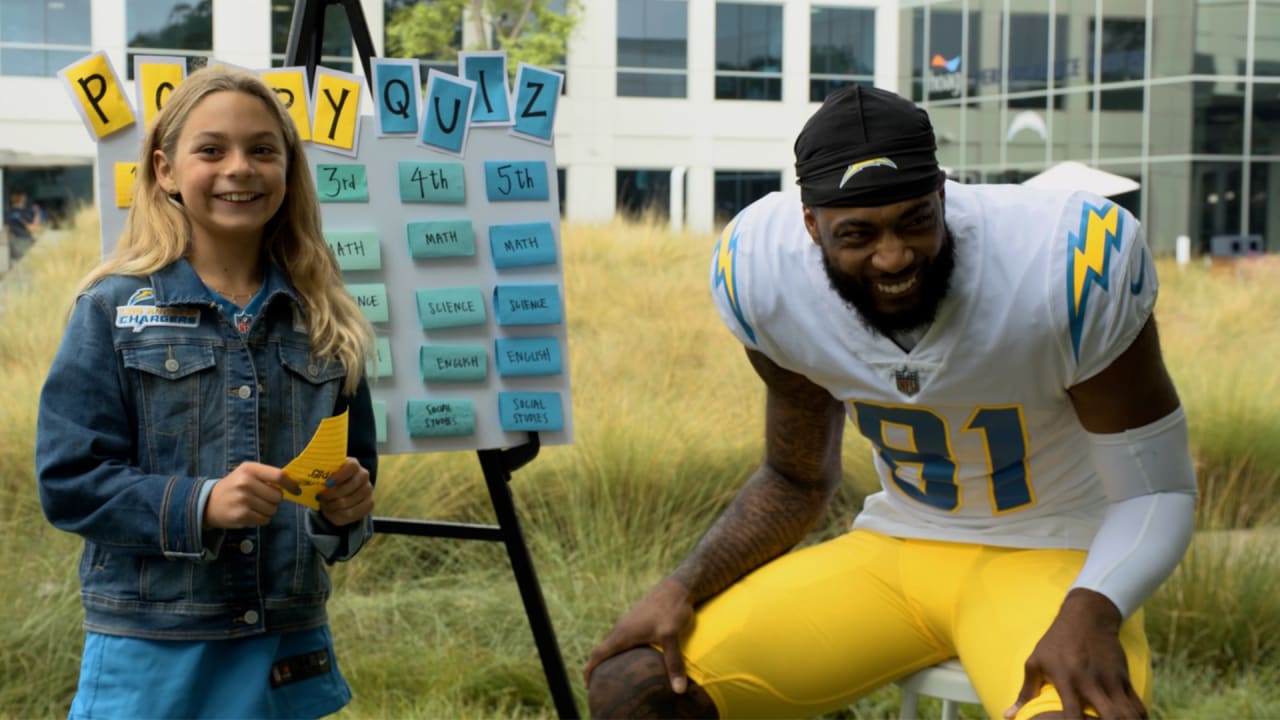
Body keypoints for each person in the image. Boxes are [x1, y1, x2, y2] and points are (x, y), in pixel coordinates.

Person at [584, 85, 1197, 720]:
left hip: (1055, 555)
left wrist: (1092, 607)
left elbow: (1157, 492)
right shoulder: (762, 273)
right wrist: (682, 585)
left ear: (942, 194)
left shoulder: (1063, 261)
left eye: (915, 220)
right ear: (810, 224)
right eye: (858, 233)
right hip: (897, 552)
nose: (894, 254)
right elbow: (795, 477)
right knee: (638, 689)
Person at [36, 67, 378, 719]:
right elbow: (69, 481)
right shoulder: (111, 310)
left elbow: (351, 498)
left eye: (263, 150)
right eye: (212, 149)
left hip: (285, 649)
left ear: (288, 168)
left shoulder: (328, 322)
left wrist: (345, 506)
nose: (240, 168)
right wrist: (201, 503)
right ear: (165, 170)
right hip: (152, 657)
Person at [6, 187, 43, 261]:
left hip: (13, 244)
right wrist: (37, 214)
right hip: (23, 242)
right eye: (24, 197)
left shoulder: (9, 212)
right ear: (22, 198)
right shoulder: (23, 213)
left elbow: (7, 230)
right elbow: (32, 228)